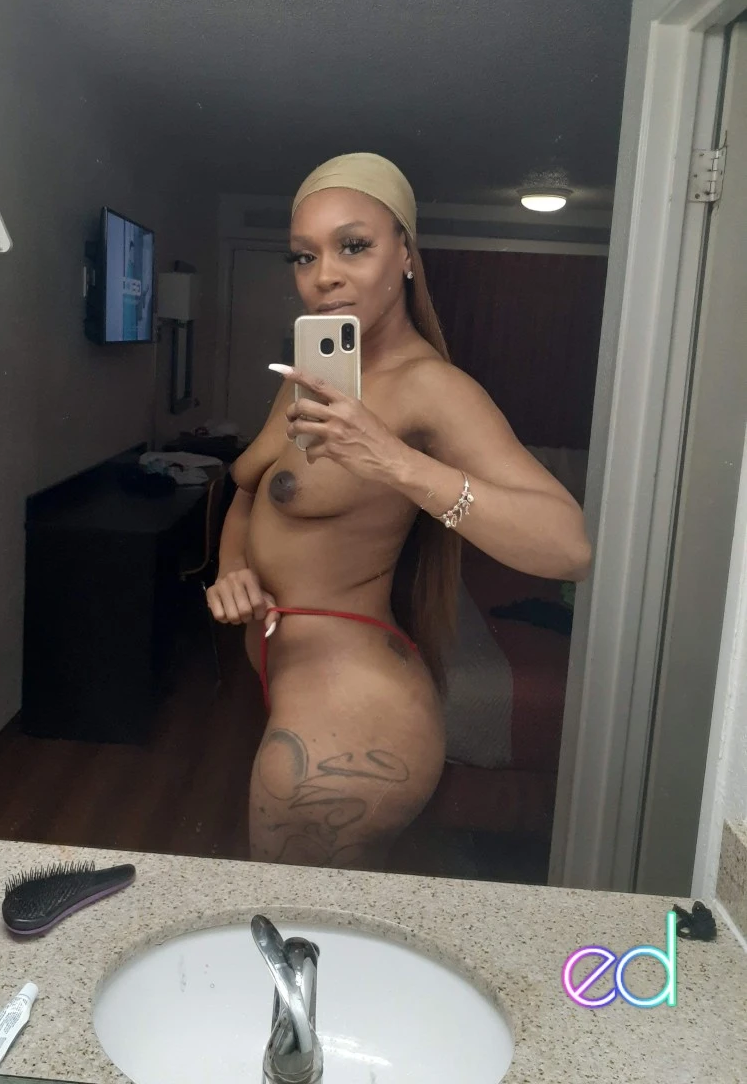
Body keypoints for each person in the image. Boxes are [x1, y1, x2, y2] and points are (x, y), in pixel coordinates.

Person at [205, 152, 592, 870]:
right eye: (304, 256)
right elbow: (254, 484)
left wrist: (394, 461)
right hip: (288, 676)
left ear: (406, 255)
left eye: (353, 245)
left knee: (294, 919)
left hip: (353, 709)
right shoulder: (315, 376)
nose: (323, 275)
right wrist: (233, 568)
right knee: (296, 916)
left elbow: (569, 547)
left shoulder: (430, 389)